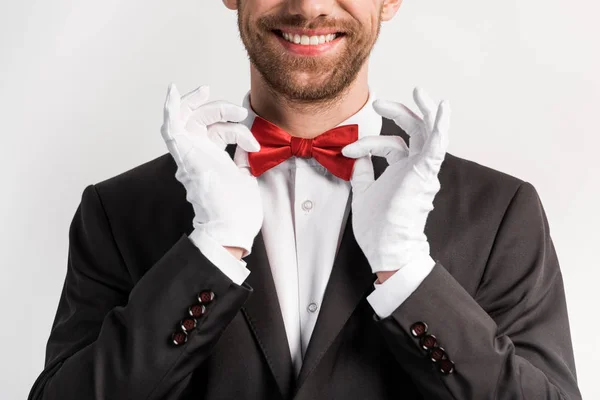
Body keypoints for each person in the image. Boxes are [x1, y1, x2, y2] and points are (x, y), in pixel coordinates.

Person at [28, 0, 581, 399]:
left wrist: (409, 276)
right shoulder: (118, 210)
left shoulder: (500, 212)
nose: (309, 6)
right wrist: (210, 256)